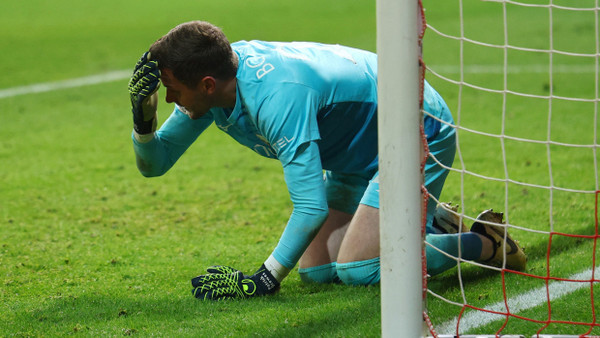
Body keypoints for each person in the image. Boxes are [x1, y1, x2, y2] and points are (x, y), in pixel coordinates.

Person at [127, 21, 526, 300]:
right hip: (358, 150)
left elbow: (310, 205)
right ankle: (432, 219)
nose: (169, 99)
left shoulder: (275, 97)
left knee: (359, 268)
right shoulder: (215, 83)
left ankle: (486, 242)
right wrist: (143, 119)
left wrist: (264, 279)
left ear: (206, 85)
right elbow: (156, 163)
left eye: (171, 89)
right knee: (316, 271)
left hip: (416, 127)